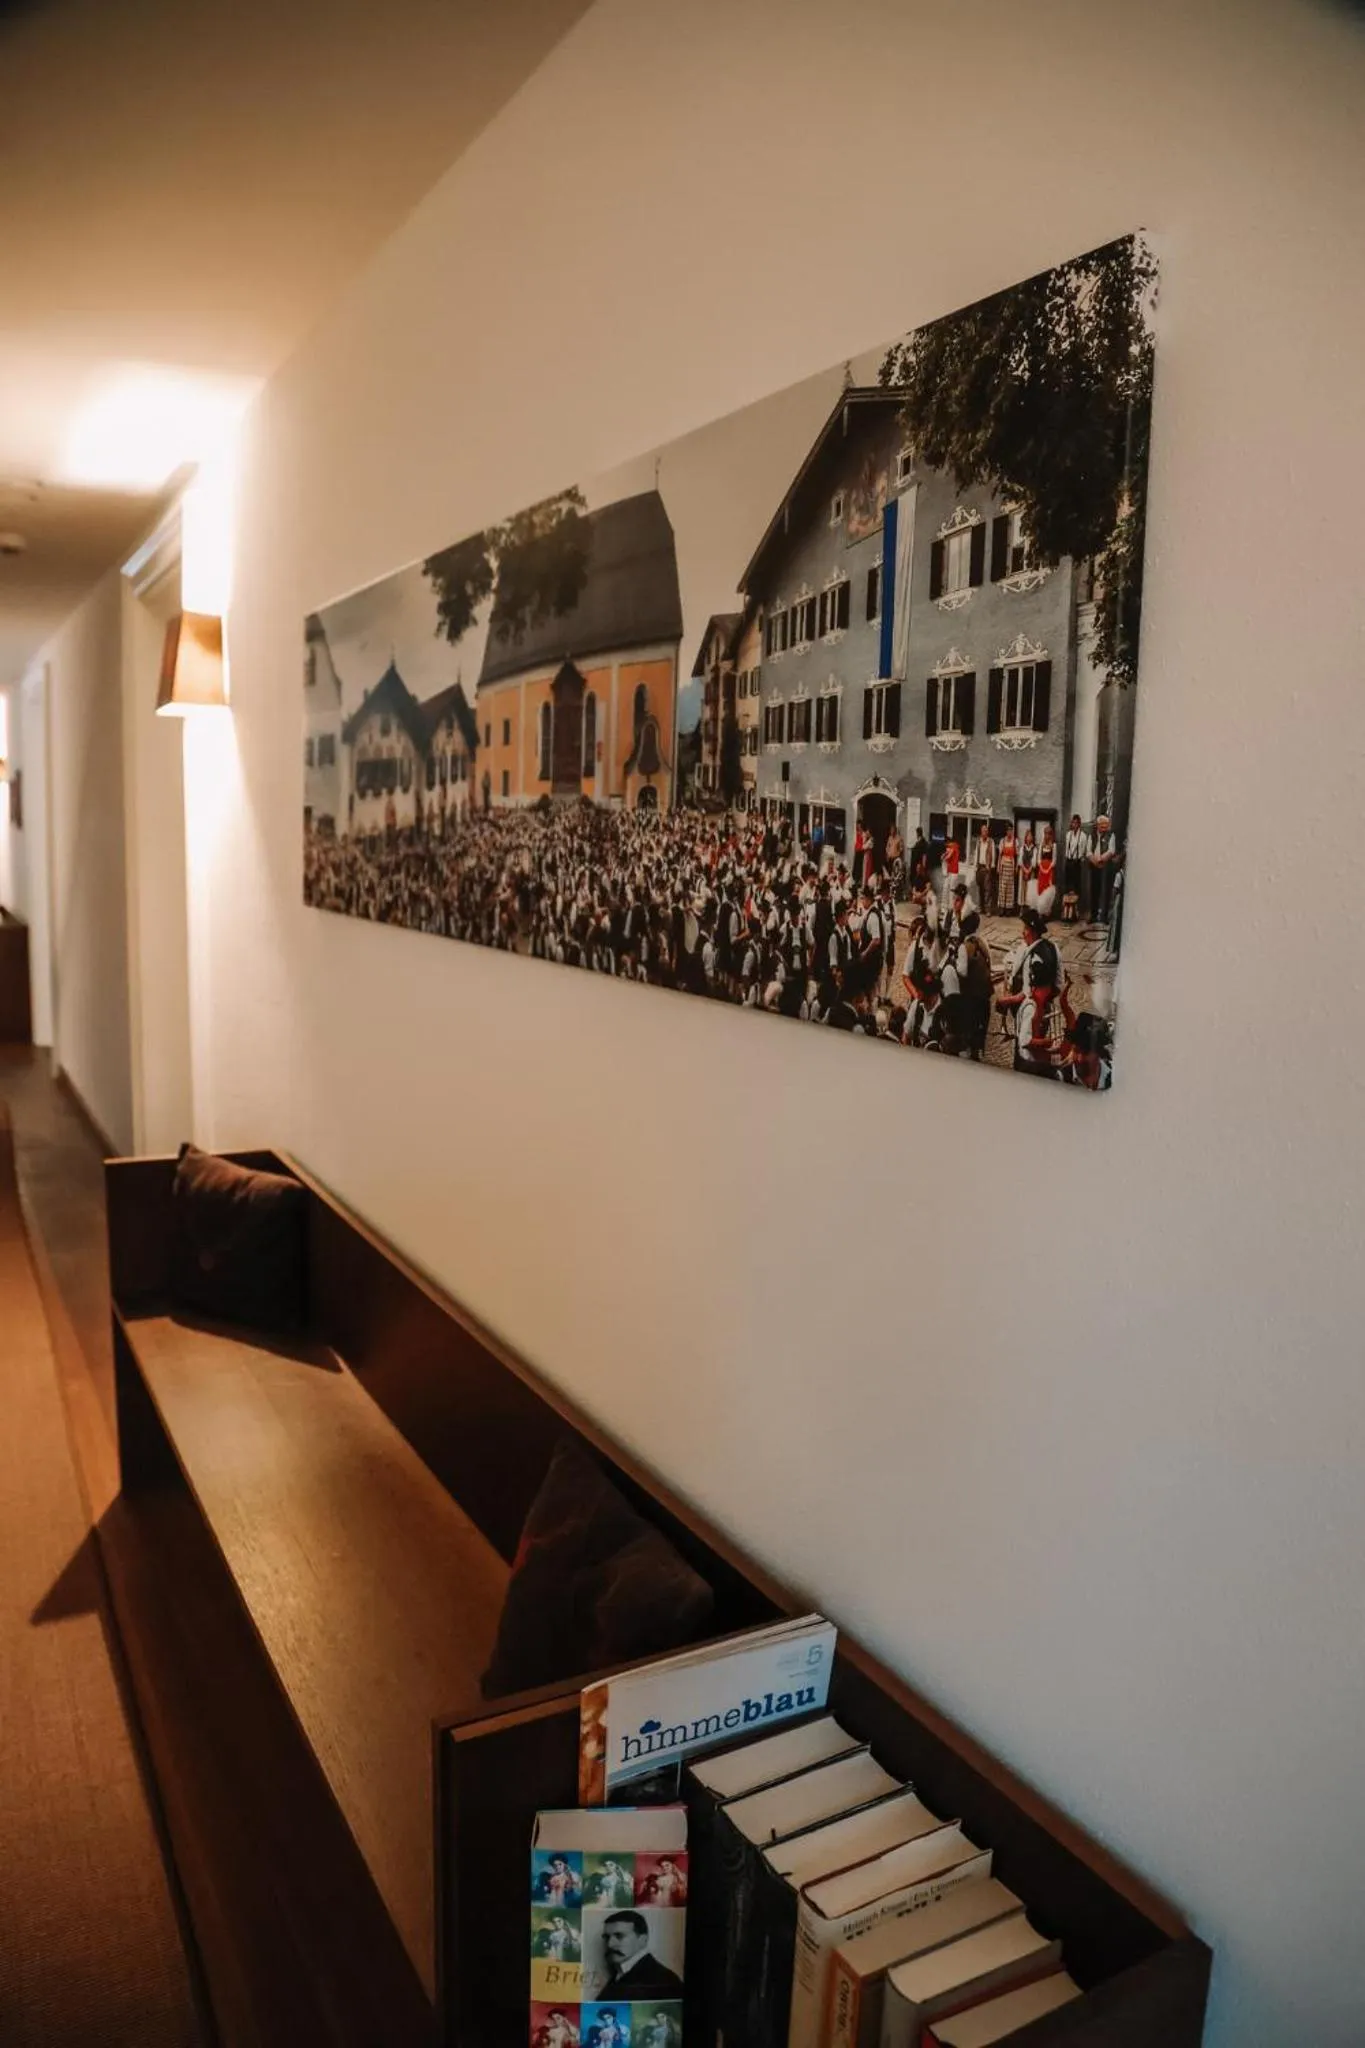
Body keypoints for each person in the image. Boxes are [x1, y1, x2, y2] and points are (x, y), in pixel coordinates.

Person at [999, 906, 1062, 1074]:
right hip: (1044, 1012)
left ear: (1033, 931)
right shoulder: (1054, 948)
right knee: (1039, 1053)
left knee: (1025, 1053)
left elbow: (1026, 995)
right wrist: (1046, 999)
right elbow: (1059, 984)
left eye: (1025, 929)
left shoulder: (1031, 958)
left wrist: (1005, 1001)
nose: (1022, 933)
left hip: (1028, 1013)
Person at [599, 1911, 684, 1999]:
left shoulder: (663, 1979)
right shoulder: (621, 1972)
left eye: (619, 1936)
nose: (610, 1944)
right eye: (607, 1937)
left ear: (643, 1940)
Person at [1086, 815, 1119, 925]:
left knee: (1105, 891)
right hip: (1094, 865)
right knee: (1094, 891)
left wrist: (1101, 859)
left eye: (1106, 826)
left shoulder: (1111, 835)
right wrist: (1094, 860)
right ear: (1098, 825)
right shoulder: (1092, 835)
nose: (1104, 828)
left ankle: (1104, 917)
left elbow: (1111, 850)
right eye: (1102, 826)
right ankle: (1093, 915)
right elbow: (1088, 851)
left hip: (1105, 866)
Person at [1062, 813, 1085, 924]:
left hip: (1077, 862)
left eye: (1076, 823)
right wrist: (1068, 859)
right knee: (1068, 886)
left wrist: (1078, 858)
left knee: (1076, 887)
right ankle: (1066, 912)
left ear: (1079, 824)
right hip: (1069, 861)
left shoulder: (1083, 836)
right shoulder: (1068, 834)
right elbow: (1067, 848)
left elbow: (1082, 850)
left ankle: (1074, 913)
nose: (1074, 824)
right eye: (1073, 822)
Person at [995, 824, 1018, 915]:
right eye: (1008, 830)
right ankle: (1002, 908)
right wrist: (998, 866)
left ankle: (1008, 909)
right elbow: (1000, 855)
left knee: (1010, 887)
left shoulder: (1015, 841)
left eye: (1011, 830)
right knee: (1002, 887)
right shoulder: (1002, 841)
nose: (1009, 832)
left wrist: (1015, 867)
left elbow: (1017, 855)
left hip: (1011, 865)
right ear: (1006, 831)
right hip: (1004, 865)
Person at [974, 826, 997, 916]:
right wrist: (975, 866)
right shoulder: (978, 841)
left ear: (987, 833)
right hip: (979, 867)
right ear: (981, 832)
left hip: (987, 868)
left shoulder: (991, 842)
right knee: (980, 889)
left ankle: (988, 910)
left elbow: (993, 854)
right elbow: (976, 853)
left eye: (986, 831)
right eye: (983, 831)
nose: (984, 833)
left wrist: (992, 866)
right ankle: (980, 908)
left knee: (988, 889)